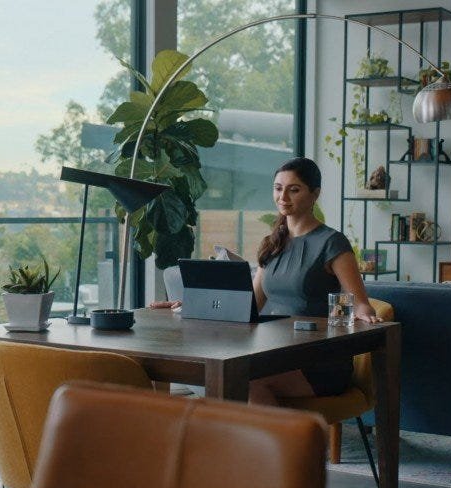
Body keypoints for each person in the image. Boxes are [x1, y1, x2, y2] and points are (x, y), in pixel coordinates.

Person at [151, 157, 382, 406]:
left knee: (245, 381)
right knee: (225, 373)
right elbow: (249, 306)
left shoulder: (332, 243)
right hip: (273, 352)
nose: (283, 197)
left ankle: (278, 444)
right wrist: (188, 304)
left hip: (319, 361)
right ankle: (257, 442)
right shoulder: (273, 243)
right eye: (278, 188)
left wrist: (365, 314)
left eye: (294, 189)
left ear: (315, 194)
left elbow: (358, 302)